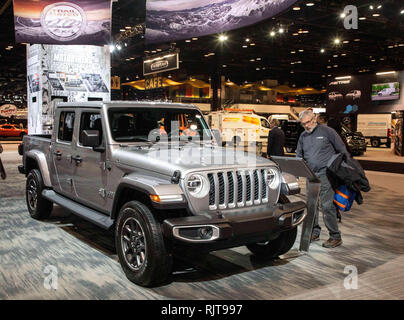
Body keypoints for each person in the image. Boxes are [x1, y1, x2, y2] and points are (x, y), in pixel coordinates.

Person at [296, 109, 350, 248]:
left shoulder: (327, 131)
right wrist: (296, 170)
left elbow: (342, 149)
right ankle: (314, 232)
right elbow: (299, 154)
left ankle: (335, 236)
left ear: (314, 119)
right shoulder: (303, 136)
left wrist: (345, 168)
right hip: (311, 175)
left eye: (308, 122)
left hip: (326, 174)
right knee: (311, 206)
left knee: (327, 206)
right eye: (303, 124)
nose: (306, 126)